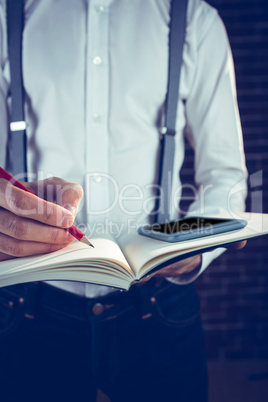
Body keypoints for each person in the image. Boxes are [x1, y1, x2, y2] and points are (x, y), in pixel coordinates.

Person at [0, 0, 247, 401]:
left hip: (160, 305)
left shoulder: (196, 22)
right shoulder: (8, 17)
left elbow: (226, 176)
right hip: (29, 305)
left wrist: (196, 248)